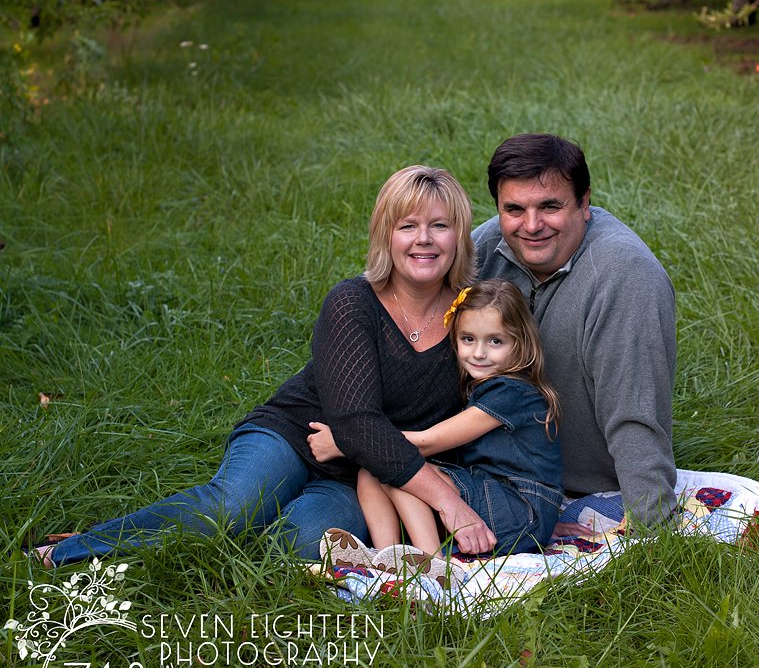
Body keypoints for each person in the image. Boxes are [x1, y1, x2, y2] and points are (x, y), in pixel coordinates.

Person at [35, 166, 497, 568]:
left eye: (439, 225)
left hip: (367, 474)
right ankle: (76, 549)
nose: (423, 239)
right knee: (233, 509)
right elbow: (355, 419)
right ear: (385, 235)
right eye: (407, 225)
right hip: (295, 434)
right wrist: (448, 502)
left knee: (299, 541)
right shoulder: (353, 301)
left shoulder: (471, 318)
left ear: (460, 236)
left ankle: (201, 545)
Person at [473, 134, 677, 529]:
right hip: (483, 467)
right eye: (514, 209)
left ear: (584, 203)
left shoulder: (625, 276)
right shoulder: (487, 246)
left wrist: (655, 531)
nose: (531, 226)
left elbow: (634, 410)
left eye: (550, 206)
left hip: (579, 483)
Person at [346, 279, 563, 556]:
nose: (479, 353)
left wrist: (346, 440)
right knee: (371, 471)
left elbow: (427, 442)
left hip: (520, 509)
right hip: (497, 501)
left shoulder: (512, 393)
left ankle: (431, 563)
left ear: (521, 344)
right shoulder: (483, 387)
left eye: (495, 341)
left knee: (399, 467)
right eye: (468, 339)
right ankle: (387, 556)